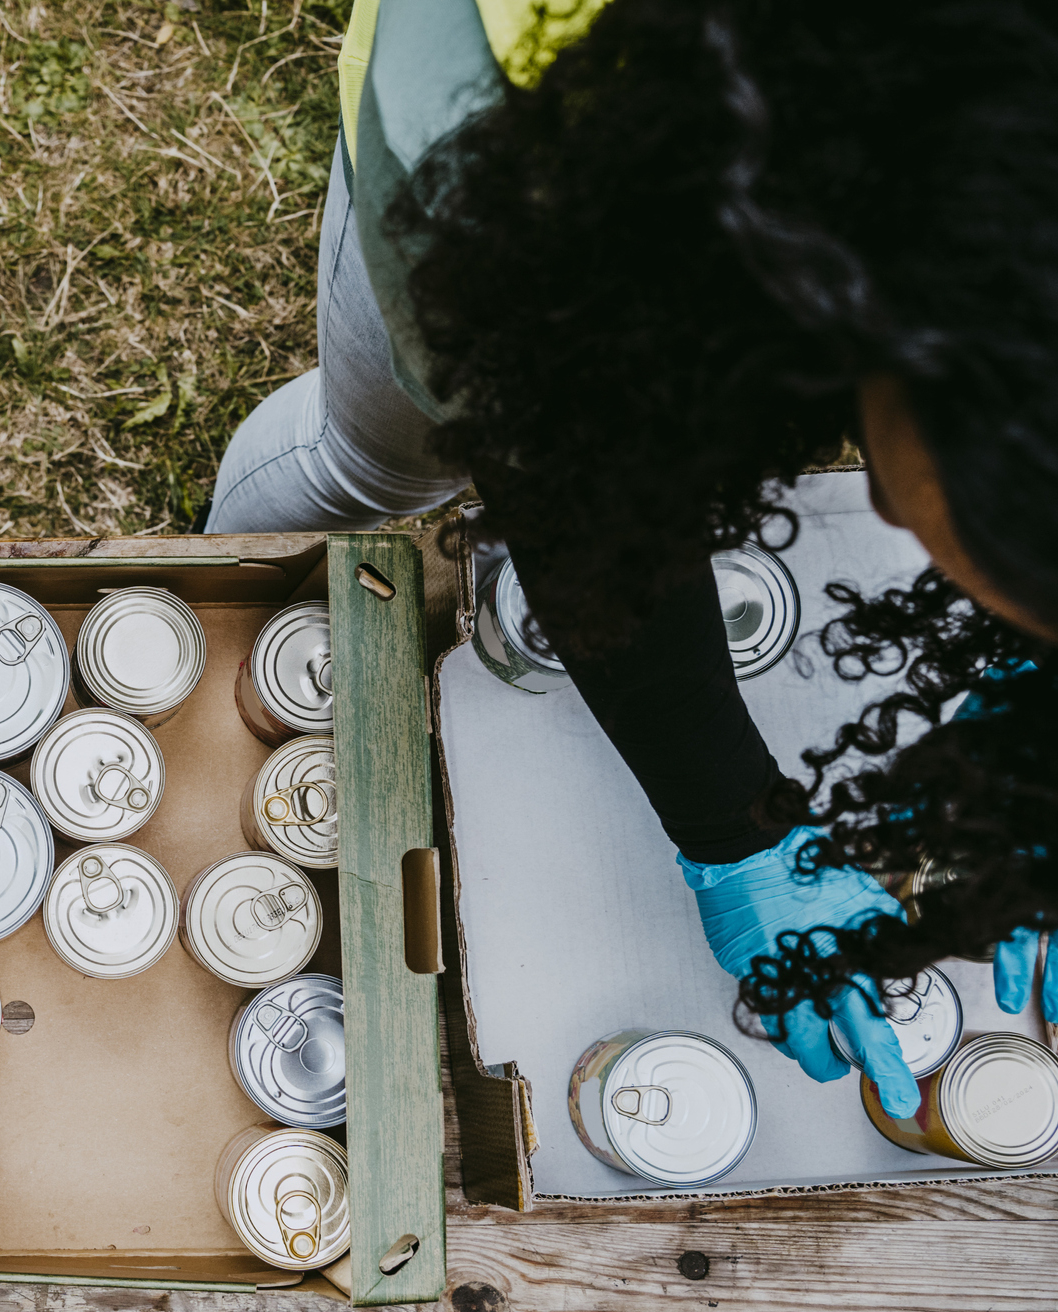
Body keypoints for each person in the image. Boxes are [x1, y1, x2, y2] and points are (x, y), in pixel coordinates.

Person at [209, 0, 1058, 1116]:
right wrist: (734, 832)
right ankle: (226, 591)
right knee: (372, 464)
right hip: (517, 99)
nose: (884, 502)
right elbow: (574, 481)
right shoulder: (532, 176)